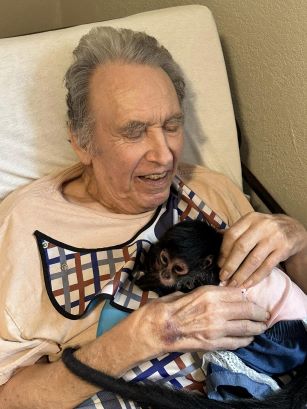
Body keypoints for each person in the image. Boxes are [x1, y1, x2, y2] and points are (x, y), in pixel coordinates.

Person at [0, 26, 306, 409]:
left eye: (172, 126)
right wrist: (142, 337)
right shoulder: (24, 225)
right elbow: (8, 396)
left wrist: (297, 242)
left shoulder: (210, 190)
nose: (164, 155)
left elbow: (292, 301)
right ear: (81, 141)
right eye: (134, 132)